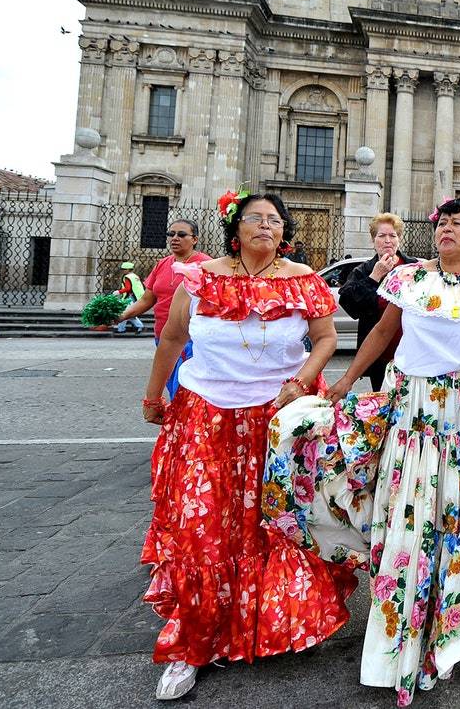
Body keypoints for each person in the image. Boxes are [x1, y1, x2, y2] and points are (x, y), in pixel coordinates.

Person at [264, 197, 460, 707]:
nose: (446, 230)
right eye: (442, 223)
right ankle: (400, 637)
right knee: (410, 520)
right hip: (412, 412)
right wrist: (342, 384)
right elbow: (385, 332)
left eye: (457, 224)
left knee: (459, 518)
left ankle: (447, 631)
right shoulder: (408, 281)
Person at [139, 191, 354, 700]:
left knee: (274, 522)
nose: (265, 225)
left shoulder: (303, 281)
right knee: (204, 528)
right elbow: (172, 340)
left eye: (274, 220)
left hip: (277, 421)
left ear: (285, 232)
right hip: (205, 417)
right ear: (234, 227)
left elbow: (325, 339)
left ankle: (274, 621)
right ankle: (192, 642)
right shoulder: (200, 277)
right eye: (255, 217)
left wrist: (301, 382)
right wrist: (153, 394)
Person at [116, 220, 212, 399]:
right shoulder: (162, 264)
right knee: (172, 389)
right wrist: (120, 316)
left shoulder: (207, 265)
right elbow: (146, 300)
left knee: (184, 394)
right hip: (163, 338)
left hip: (190, 340)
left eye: (181, 234)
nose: (175, 238)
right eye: (171, 234)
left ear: (195, 239)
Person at [337, 213, 416, 391]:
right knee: (383, 406)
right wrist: (375, 276)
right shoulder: (363, 270)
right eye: (382, 236)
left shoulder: (413, 267)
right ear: (373, 240)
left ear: (399, 239)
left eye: (392, 235)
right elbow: (351, 306)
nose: (387, 240)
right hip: (379, 356)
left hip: (412, 352)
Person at [112, 261, 146, 335]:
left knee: (125, 313)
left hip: (130, 297)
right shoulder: (135, 276)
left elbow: (128, 288)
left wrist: (118, 292)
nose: (123, 271)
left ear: (128, 269)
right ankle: (122, 329)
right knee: (127, 313)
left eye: (124, 269)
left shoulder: (127, 277)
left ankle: (138, 326)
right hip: (137, 296)